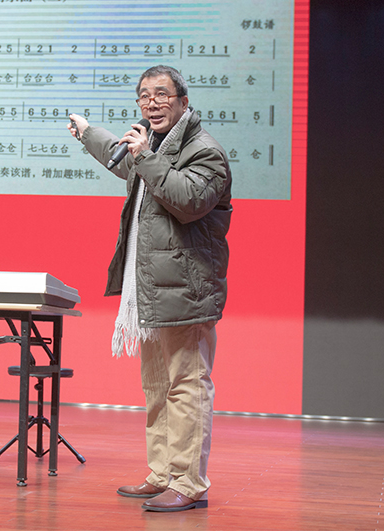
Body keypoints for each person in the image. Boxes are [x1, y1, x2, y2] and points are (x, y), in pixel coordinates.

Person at [68, 65, 232, 512]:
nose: (151, 103)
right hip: (152, 289)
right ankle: (163, 474)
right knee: (158, 386)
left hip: (187, 290)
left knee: (187, 386)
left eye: (161, 94)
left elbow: (188, 201)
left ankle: (189, 482)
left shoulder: (204, 151)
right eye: (144, 96)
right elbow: (118, 154)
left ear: (183, 102)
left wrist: (144, 155)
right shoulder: (151, 147)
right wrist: (88, 132)